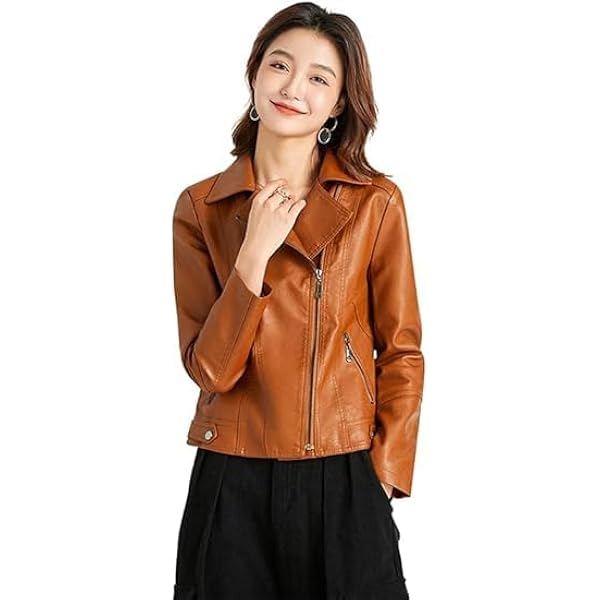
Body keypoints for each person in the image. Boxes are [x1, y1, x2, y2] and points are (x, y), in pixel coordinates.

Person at [171, 3, 425, 598]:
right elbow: (209, 370)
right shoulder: (201, 208)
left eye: (318, 77)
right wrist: (253, 254)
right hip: (231, 478)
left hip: (344, 474)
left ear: (337, 104)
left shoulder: (375, 203)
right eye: (280, 66)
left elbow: (402, 351)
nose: (293, 88)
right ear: (255, 74)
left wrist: (383, 477)